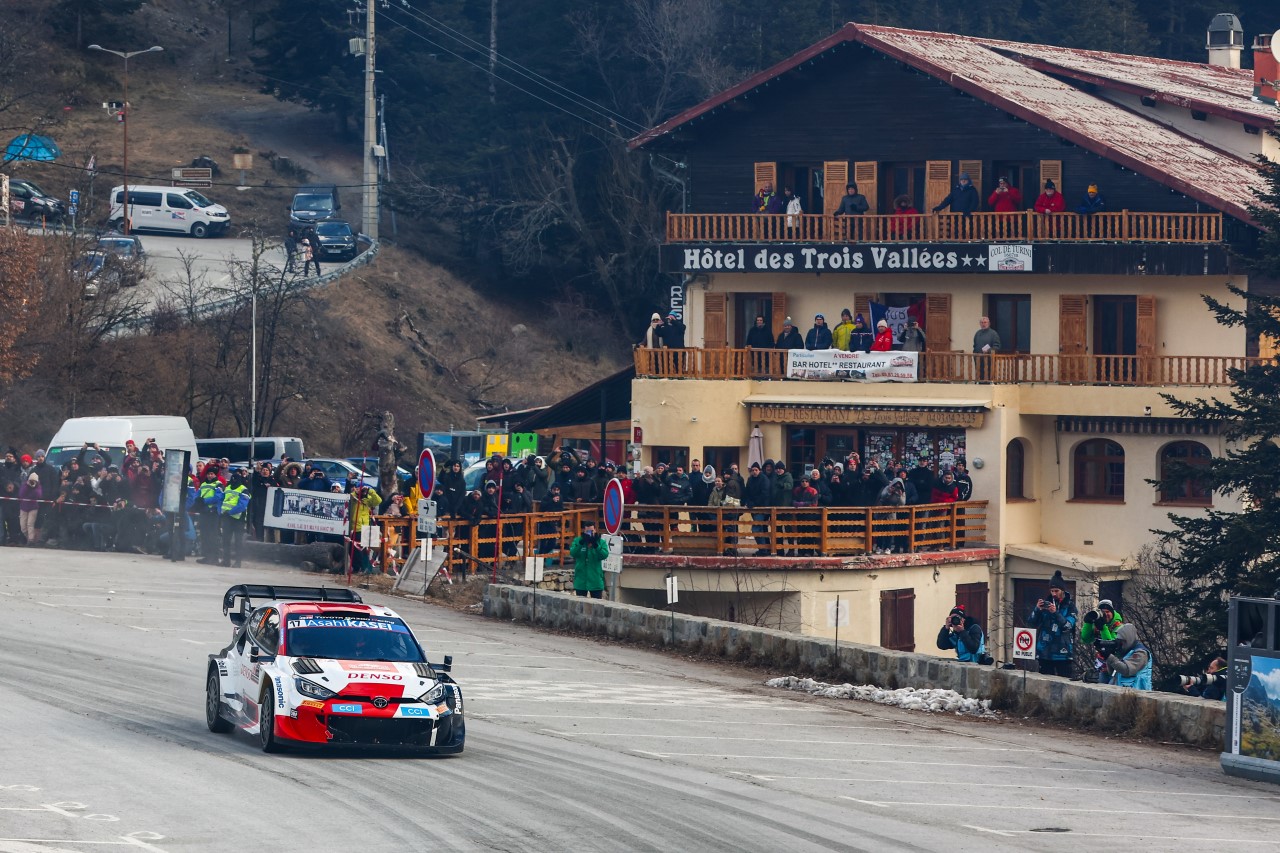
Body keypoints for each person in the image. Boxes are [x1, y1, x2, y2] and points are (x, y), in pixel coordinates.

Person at [1027, 571, 1078, 677]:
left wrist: (1055, 613)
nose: (1054, 594)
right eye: (1052, 591)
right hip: (1045, 653)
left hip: (1063, 654)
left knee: (1064, 683)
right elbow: (1031, 623)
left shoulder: (1070, 606)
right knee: (1044, 683)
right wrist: (1037, 610)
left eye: (1056, 591)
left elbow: (1067, 626)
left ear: (1062, 590)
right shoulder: (1046, 604)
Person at [218, 469, 251, 568]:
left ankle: (238, 562)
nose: (233, 480)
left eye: (235, 479)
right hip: (226, 517)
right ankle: (226, 561)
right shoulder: (227, 487)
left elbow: (243, 505)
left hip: (238, 519)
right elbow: (221, 499)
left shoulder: (244, 489)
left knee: (238, 541)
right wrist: (220, 511)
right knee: (225, 540)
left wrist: (230, 512)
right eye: (232, 478)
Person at [1104, 623, 1152, 690]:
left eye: (1122, 642)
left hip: (1137, 691)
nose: (1121, 644)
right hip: (1123, 690)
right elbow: (1112, 672)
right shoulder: (1125, 652)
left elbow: (1126, 670)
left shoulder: (1141, 653)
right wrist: (1109, 655)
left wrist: (1110, 657)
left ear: (1128, 639)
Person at [570, 520, 609, 598]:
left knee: (596, 604)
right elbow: (573, 553)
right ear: (584, 531)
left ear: (595, 530)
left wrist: (596, 545)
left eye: (591, 531)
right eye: (587, 531)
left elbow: (604, 555)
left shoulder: (601, 542)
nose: (589, 533)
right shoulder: (578, 541)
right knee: (581, 604)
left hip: (595, 580)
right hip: (581, 581)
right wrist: (581, 543)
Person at [972, 316, 1001, 381]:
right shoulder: (977, 333)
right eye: (982, 322)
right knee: (979, 376)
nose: (983, 324)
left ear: (989, 323)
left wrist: (989, 350)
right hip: (978, 359)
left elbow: (997, 346)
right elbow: (975, 346)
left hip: (989, 359)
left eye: (985, 322)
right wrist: (975, 354)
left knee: (988, 376)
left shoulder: (993, 334)